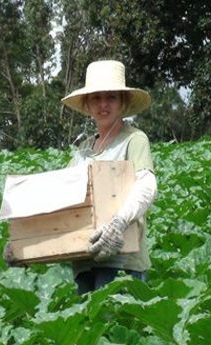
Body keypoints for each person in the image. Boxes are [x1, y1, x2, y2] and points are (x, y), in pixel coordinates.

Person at [61, 60, 157, 294]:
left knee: (115, 327)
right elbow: (62, 196)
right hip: (84, 260)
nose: (103, 104)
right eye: (96, 98)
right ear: (87, 103)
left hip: (122, 261)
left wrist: (119, 222)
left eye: (111, 97)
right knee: (88, 327)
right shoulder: (83, 149)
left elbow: (147, 185)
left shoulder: (134, 139)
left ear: (122, 102)